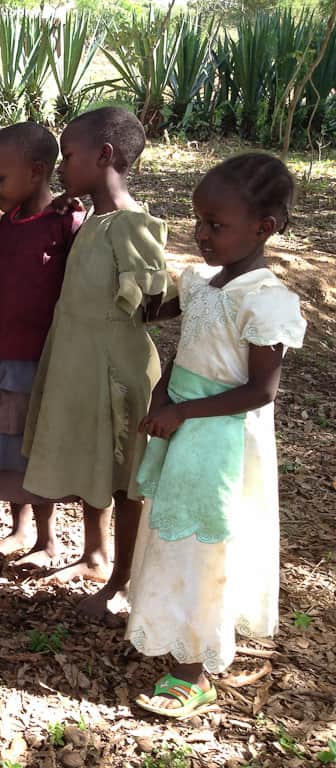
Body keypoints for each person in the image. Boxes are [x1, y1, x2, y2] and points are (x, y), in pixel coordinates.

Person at [126, 153, 306, 718]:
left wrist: (184, 412)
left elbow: (261, 391)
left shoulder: (265, 299)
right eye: (198, 221)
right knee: (173, 535)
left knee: (206, 544)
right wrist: (162, 395)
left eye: (217, 225)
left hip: (222, 440)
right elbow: (187, 344)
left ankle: (193, 670)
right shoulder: (205, 282)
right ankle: (171, 633)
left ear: (264, 228)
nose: (202, 235)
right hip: (186, 427)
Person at [20, 107, 170, 618]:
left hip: (116, 370)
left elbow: (152, 302)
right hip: (80, 361)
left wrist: (189, 295)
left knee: (124, 474)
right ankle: (95, 555)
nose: (62, 167)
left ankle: (123, 580)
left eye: (69, 157)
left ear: (104, 156)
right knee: (96, 460)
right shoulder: (96, 219)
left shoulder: (130, 224)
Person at [0, 122, 85, 569]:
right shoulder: (9, 222)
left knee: (35, 445)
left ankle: (47, 539)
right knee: (6, 439)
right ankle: (18, 527)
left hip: (45, 358)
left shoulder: (67, 221)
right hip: (8, 353)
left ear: (38, 172)